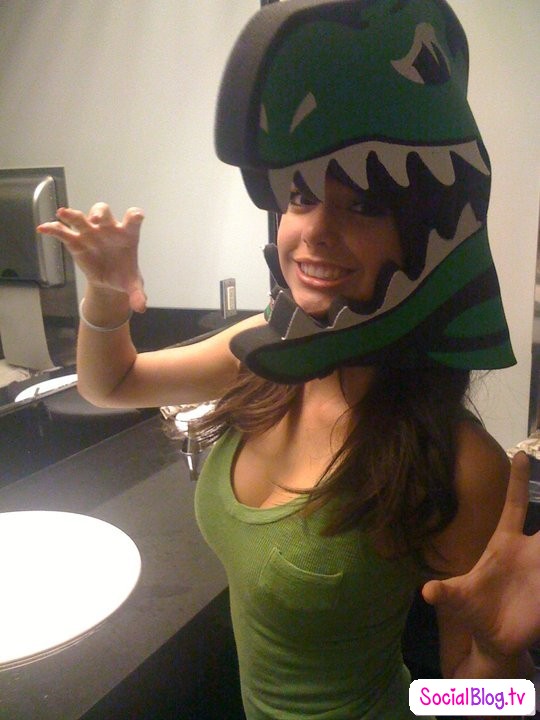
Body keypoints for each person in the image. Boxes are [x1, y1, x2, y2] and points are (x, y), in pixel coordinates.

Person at [38, 1, 540, 718]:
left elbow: (476, 701)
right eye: (301, 197)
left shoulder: (462, 464)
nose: (314, 233)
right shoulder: (265, 355)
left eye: (363, 206)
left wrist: (496, 658)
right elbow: (112, 382)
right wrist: (108, 296)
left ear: (422, 233)